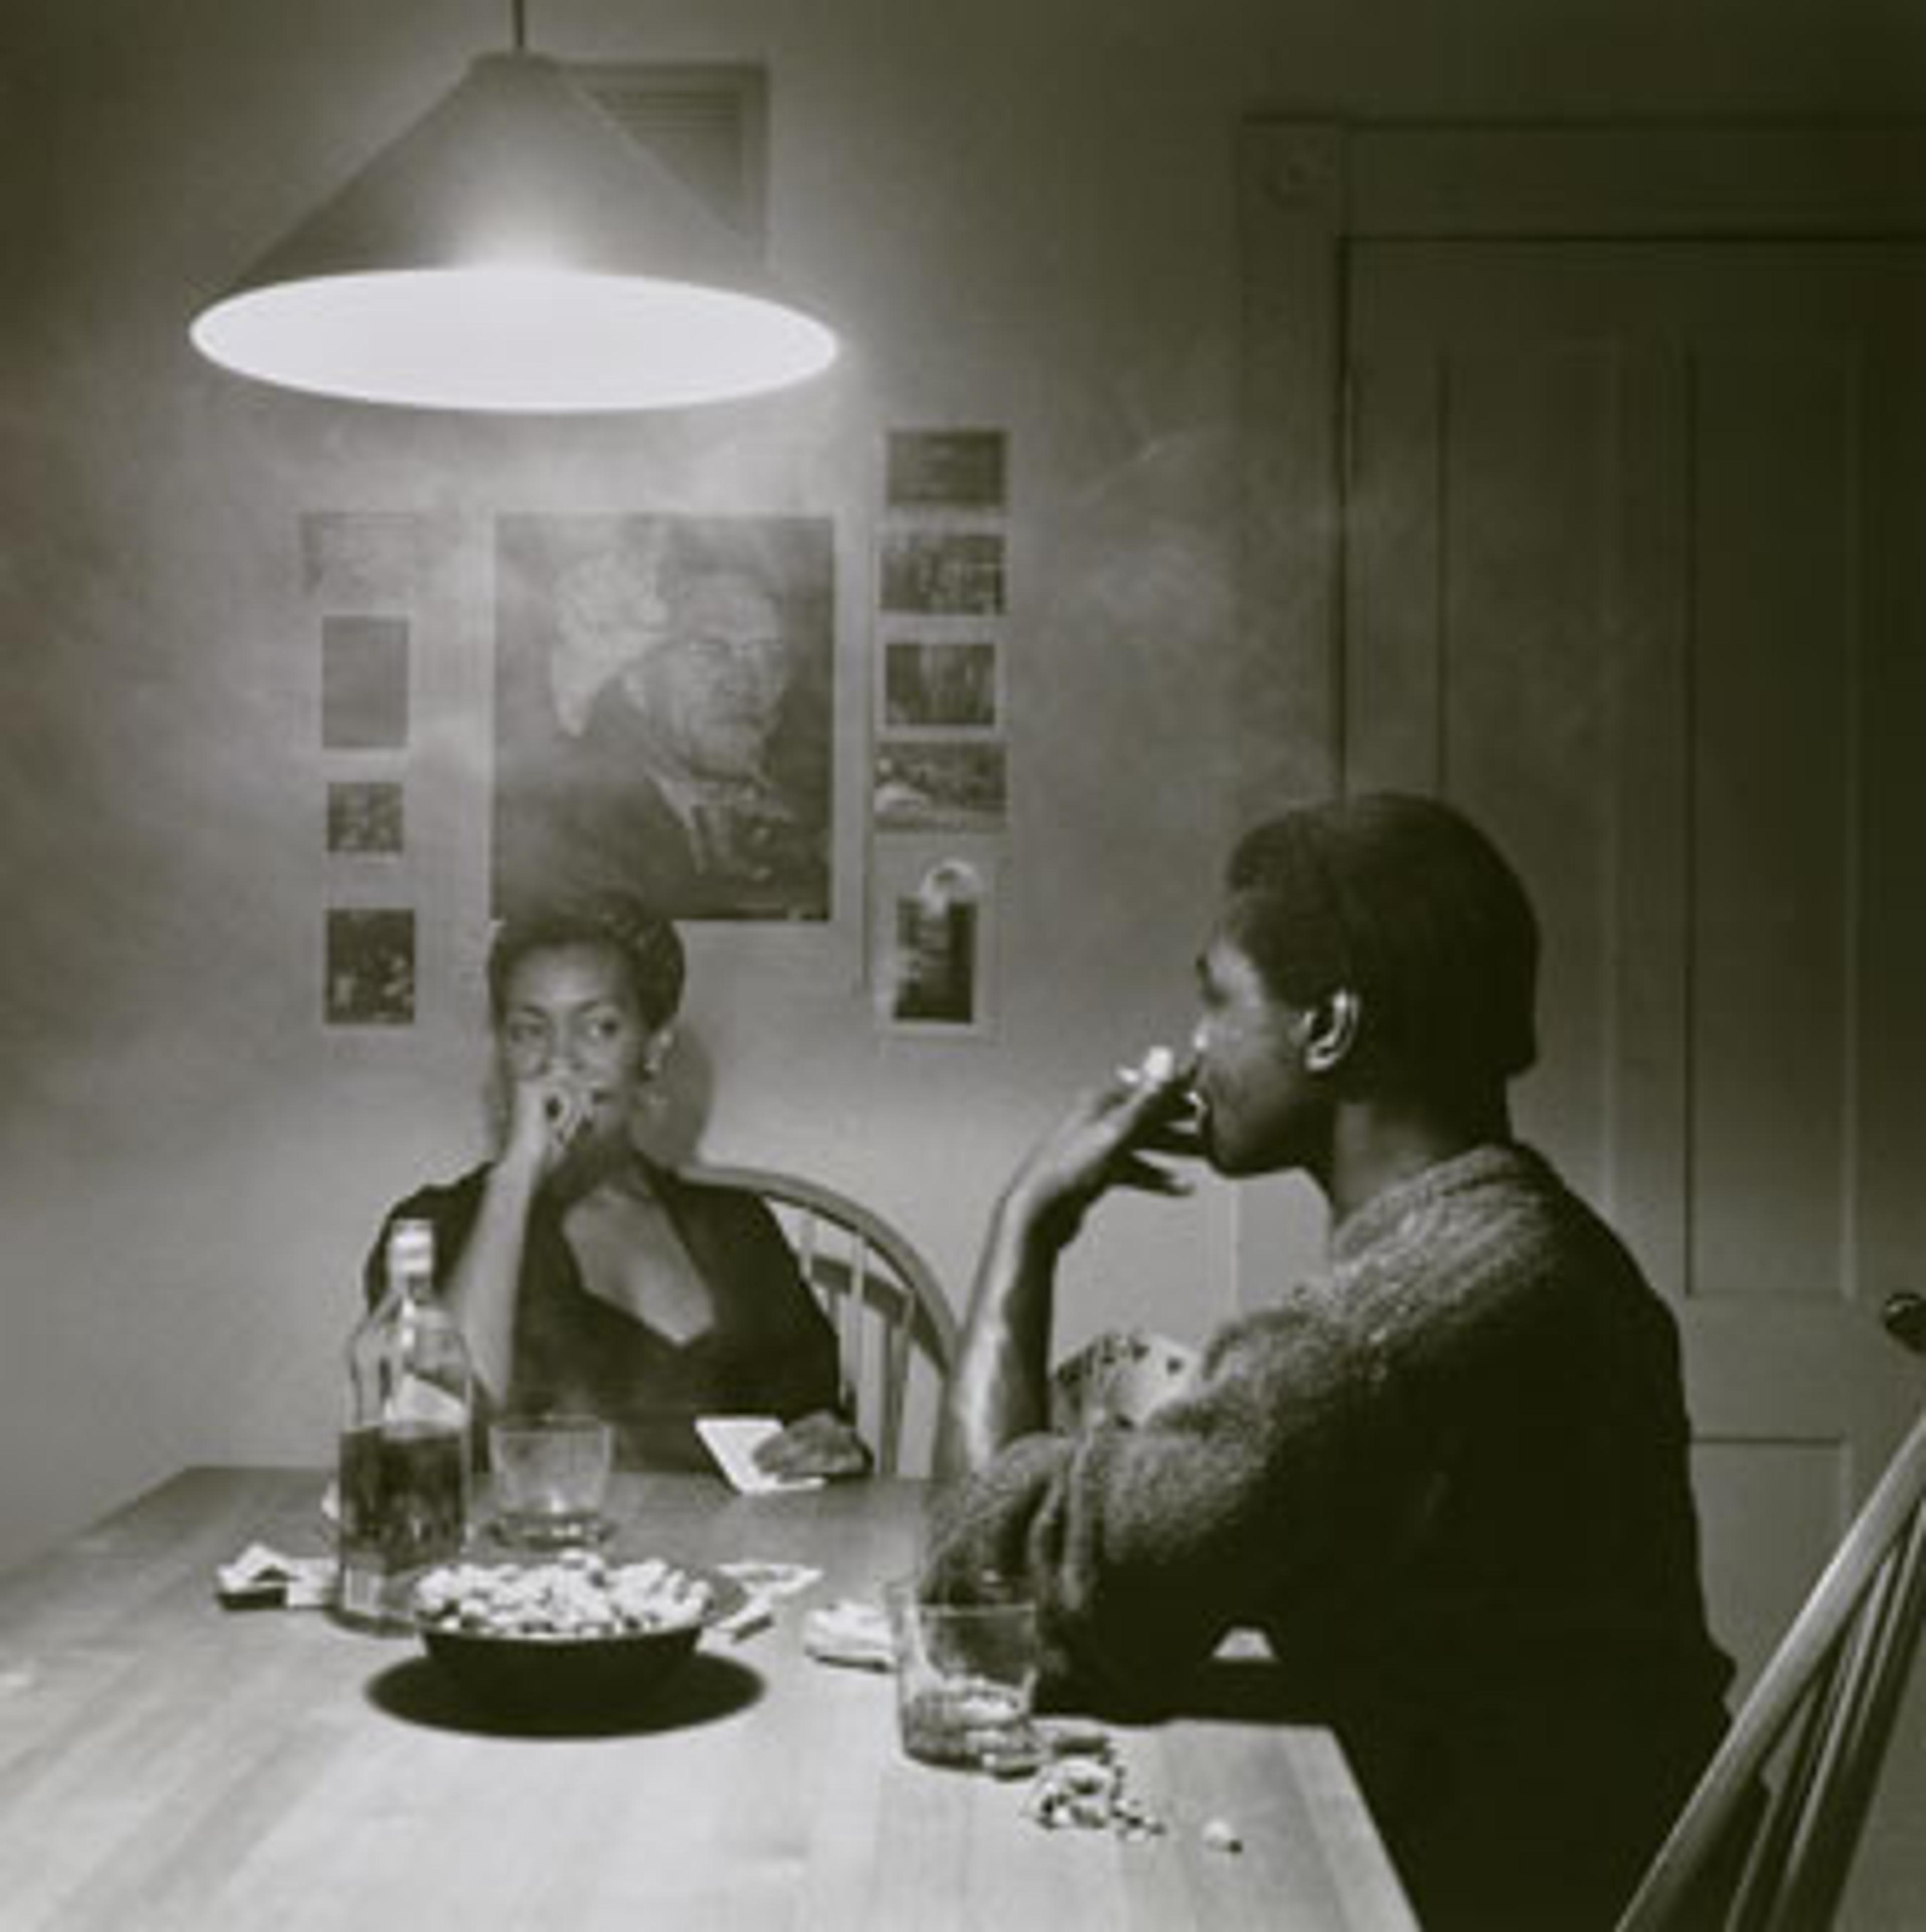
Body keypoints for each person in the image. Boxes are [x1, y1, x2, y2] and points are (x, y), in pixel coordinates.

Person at [926, 792, 1735, 1932]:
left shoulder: (1379, 1333)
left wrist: (1028, 1223)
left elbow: (980, 1592)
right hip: (1596, 1860)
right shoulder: (1537, 1245)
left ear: (1328, 1029)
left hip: (1504, 1901)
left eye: (1215, 998)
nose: (1193, 1043)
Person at [364, 893, 864, 1479]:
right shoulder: (434, 1228)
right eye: (529, 1031)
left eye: (598, 1028)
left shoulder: (736, 1226)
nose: (560, 1061)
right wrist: (516, 1176)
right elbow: (437, 1442)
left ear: (652, 1049)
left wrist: (829, 1447)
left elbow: (812, 1424)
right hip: (519, 1562)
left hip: (722, 1563)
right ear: (502, 1052)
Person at [499, 551, 830, 922]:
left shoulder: (814, 827)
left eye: (771, 656)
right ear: (635, 679)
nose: (747, 682)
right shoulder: (562, 829)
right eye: (711, 651)